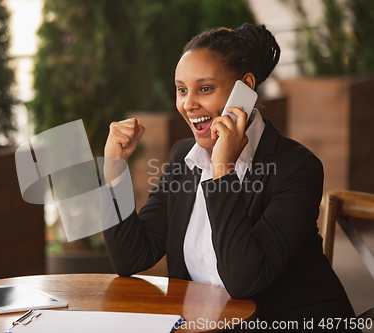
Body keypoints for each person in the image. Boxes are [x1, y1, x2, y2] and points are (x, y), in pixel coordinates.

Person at [102, 23, 359, 331]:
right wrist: (113, 169)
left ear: (245, 88)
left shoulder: (297, 168)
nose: (188, 104)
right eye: (182, 89)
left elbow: (243, 281)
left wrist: (222, 170)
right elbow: (131, 257)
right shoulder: (184, 158)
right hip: (204, 324)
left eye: (205, 89)